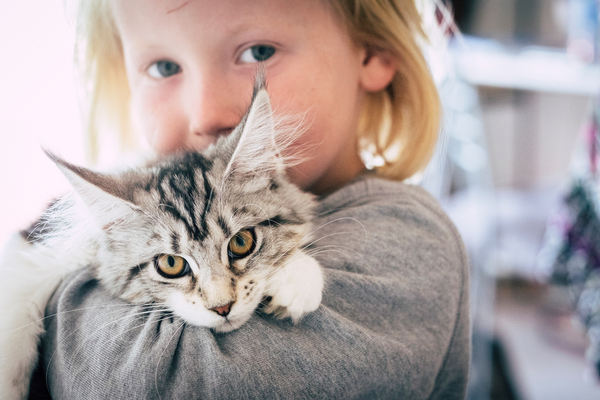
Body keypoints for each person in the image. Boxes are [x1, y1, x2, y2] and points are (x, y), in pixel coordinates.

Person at [28, 0, 470, 398]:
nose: (206, 114)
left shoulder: (408, 238)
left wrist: (61, 302)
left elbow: (139, 383)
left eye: (258, 52)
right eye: (164, 67)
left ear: (373, 50)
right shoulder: (155, 205)